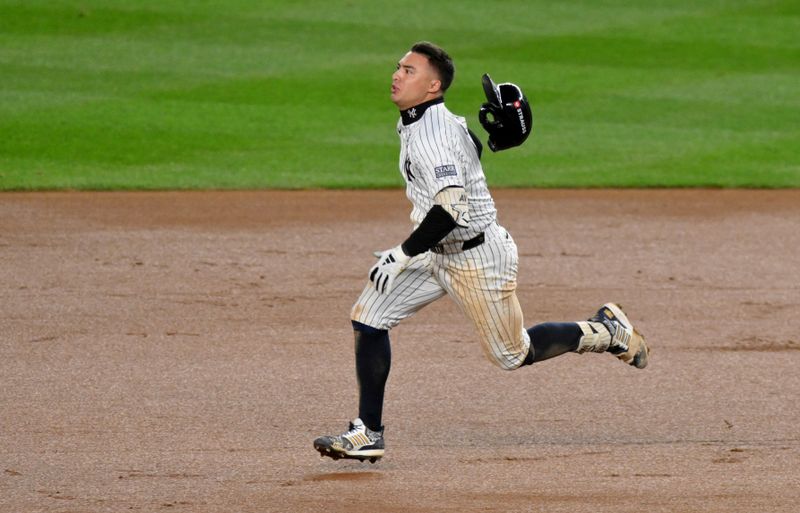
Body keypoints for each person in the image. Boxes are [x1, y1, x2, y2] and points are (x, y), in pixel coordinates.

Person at [313, 41, 649, 463]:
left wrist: (401, 254)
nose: (397, 75)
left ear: (433, 86)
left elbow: (451, 209)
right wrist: (489, 142)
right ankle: (368, 434)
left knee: (513, 354)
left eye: (409, 71)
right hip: (436, 251)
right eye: (398, 67)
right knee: (369, 316)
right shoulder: (426, 119)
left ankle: (606, 331)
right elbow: (466, 151)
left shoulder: (432, 132)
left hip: (477, 258)